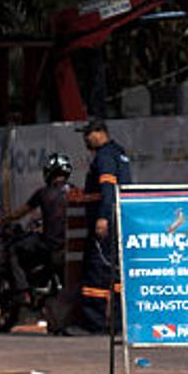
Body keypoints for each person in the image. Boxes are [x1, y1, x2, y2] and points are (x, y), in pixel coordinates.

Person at [71, 118, 132, 336]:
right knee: (115, 272)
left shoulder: (105, 156)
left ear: (99, 133)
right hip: (120, 219)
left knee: (97, 271)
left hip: (107, 221)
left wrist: (103, 217)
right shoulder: (119, 153)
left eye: (87, 134)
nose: (85, 140)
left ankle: (94, 323)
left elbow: (108, 189)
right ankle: (117, 322)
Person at [0, 152, 73, 295]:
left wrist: (1, 220)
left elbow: (20, 213)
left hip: (50, 246)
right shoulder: (75, 191)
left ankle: (23, 290)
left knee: (14, 248)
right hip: (70, 246)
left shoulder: (44, 193)